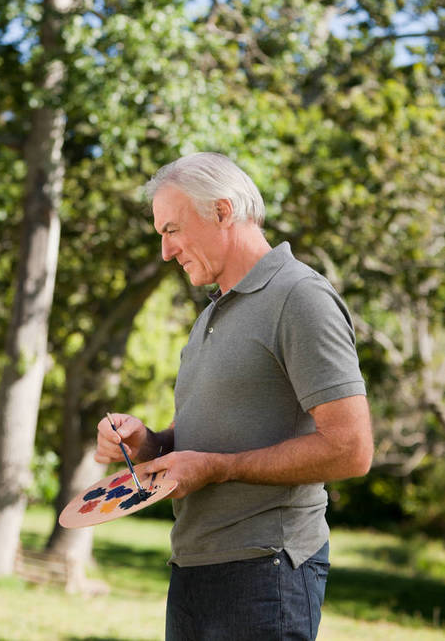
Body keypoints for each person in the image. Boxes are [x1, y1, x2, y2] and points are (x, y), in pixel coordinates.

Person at [96, 152, 373, 641]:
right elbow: (218, 432)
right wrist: (150, 444)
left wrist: (220, 468)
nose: (165, 251)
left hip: (267, 573)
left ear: (222, 212)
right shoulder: (211, 314)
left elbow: (351, 449)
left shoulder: (300, 297)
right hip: (194, 569)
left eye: (172, 230)